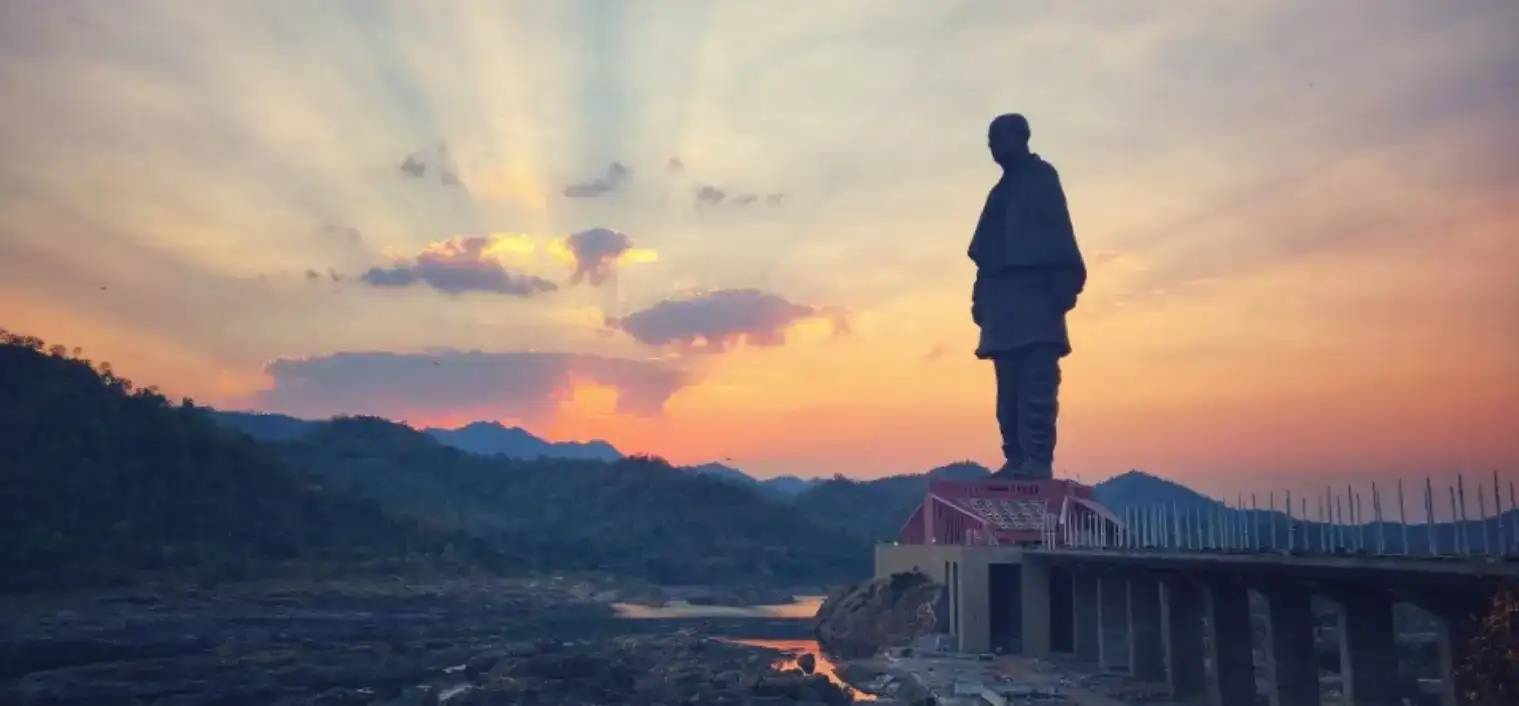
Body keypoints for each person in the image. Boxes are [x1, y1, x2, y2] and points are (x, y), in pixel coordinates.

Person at [967, 113, 1086, 480]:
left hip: (1036, 297)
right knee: (1008, 390)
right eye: (988, 139)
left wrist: (1061, 287)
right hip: (1003, 302)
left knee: (1036, 385)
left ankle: (1037, 459)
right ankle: (1016, 456)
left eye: (996, 138)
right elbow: (984, 255)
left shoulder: (1042, 179)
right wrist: (980, 297)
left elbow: (1060, 236)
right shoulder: (999, 193)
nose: (991, 146)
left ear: (1019, 138)